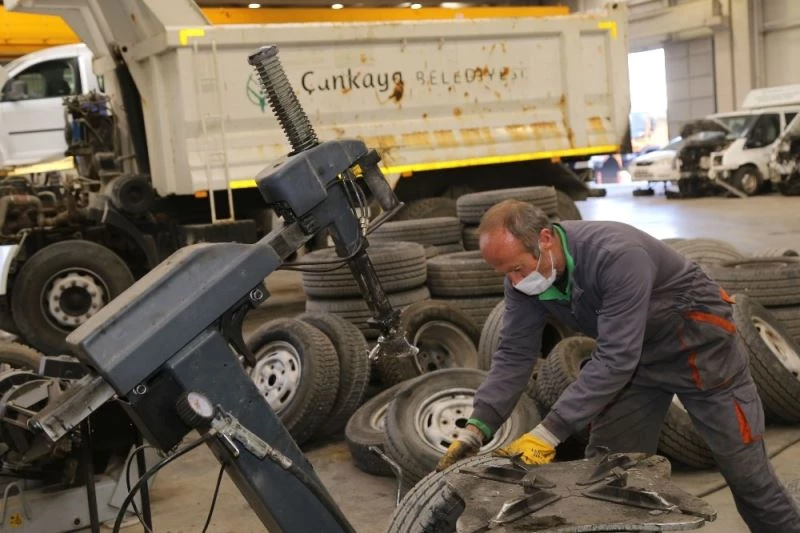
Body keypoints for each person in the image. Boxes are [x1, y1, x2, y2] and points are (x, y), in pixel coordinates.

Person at [436, 199, 800, 533]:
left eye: (516, 268)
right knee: (607, 478)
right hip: (636, 361)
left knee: (749, 480)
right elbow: (514, 353)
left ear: (544, 239)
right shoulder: (525, 282)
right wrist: (477, 427)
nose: (514, 282)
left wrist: (549, 433)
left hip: (701, 351)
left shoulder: (616, 254)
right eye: (506, 274)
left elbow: (615, 356)